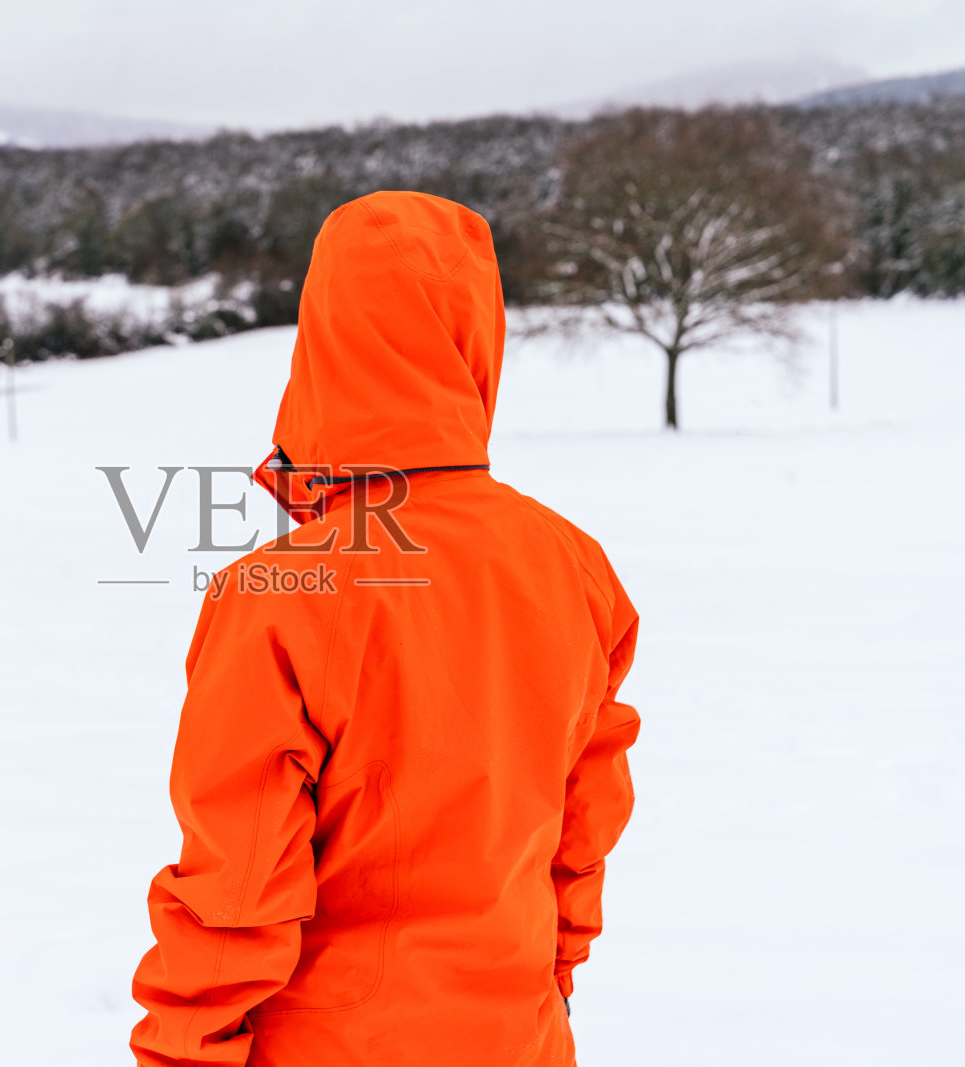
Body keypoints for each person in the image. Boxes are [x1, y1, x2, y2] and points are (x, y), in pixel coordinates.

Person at [129, 190, 641, 1066]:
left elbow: (237, 882)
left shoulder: (281, 593)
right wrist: (543, 986)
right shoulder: (572, 564)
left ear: (321, 340)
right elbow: (580, 832)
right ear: (479, 337)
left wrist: (185, 1053)